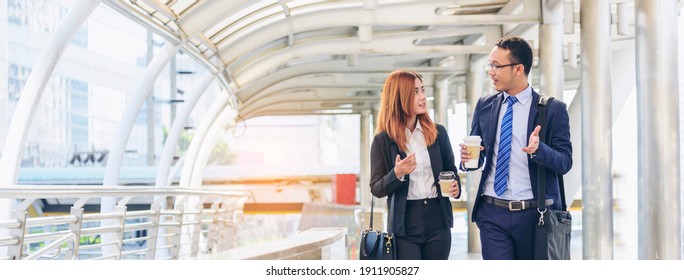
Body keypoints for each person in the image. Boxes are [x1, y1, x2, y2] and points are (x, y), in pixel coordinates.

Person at [460, 36, 572, 260]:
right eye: (490, 65)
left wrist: (540, 150)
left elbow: (565, 161)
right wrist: (467, 159)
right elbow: (477, 156)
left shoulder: (552, 110)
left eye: (496, 66)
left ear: (519, 69)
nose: (491, 71)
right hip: (492, 213)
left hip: (535, 216)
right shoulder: (485, 105)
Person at [369, 69, 461, 260]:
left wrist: (455, 186)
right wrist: (397, 173)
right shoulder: (383, 140)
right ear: (399, 97)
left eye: (423, 90)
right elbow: (376, 188)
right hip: (405, 225)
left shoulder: (438, 133)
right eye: (415, 92)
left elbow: (451, 171)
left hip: (438, 220)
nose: (422, 97)